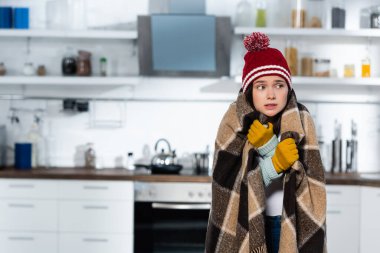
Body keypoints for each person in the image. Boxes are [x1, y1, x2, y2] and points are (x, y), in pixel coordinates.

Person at [205, 32, 327, 253]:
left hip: (289, 223)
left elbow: (309, 182)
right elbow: (228, 181)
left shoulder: (302, 119)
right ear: (250, 90)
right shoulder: (234, 121)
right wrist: (274, 162)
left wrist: (269, 146)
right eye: (261, 86)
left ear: (288, 88)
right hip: (246, 224)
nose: (271, 94)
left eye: (279, 85)